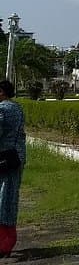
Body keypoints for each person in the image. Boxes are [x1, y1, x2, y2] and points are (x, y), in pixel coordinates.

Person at [0, 80, 25, 258]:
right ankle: (8, 241)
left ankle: (3, 244)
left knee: (1, 199)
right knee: (11, 198)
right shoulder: (17, 108)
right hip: (16, 158)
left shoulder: (1, 109)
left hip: (2, 159)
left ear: (2, 92)